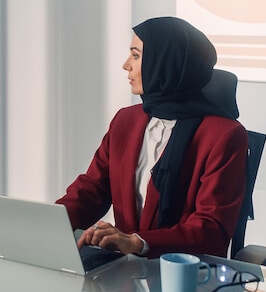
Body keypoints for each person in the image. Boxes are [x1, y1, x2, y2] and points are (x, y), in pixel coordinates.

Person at [56, 16, 247, 258]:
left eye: (135, 55)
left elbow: (212, 229)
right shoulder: (125, 121)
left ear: (165, 62)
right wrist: (48, 223)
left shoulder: (224, 136)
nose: (126, 65)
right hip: (123, 272)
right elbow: (92, 190)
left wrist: (137, 242)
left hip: (185, 273)